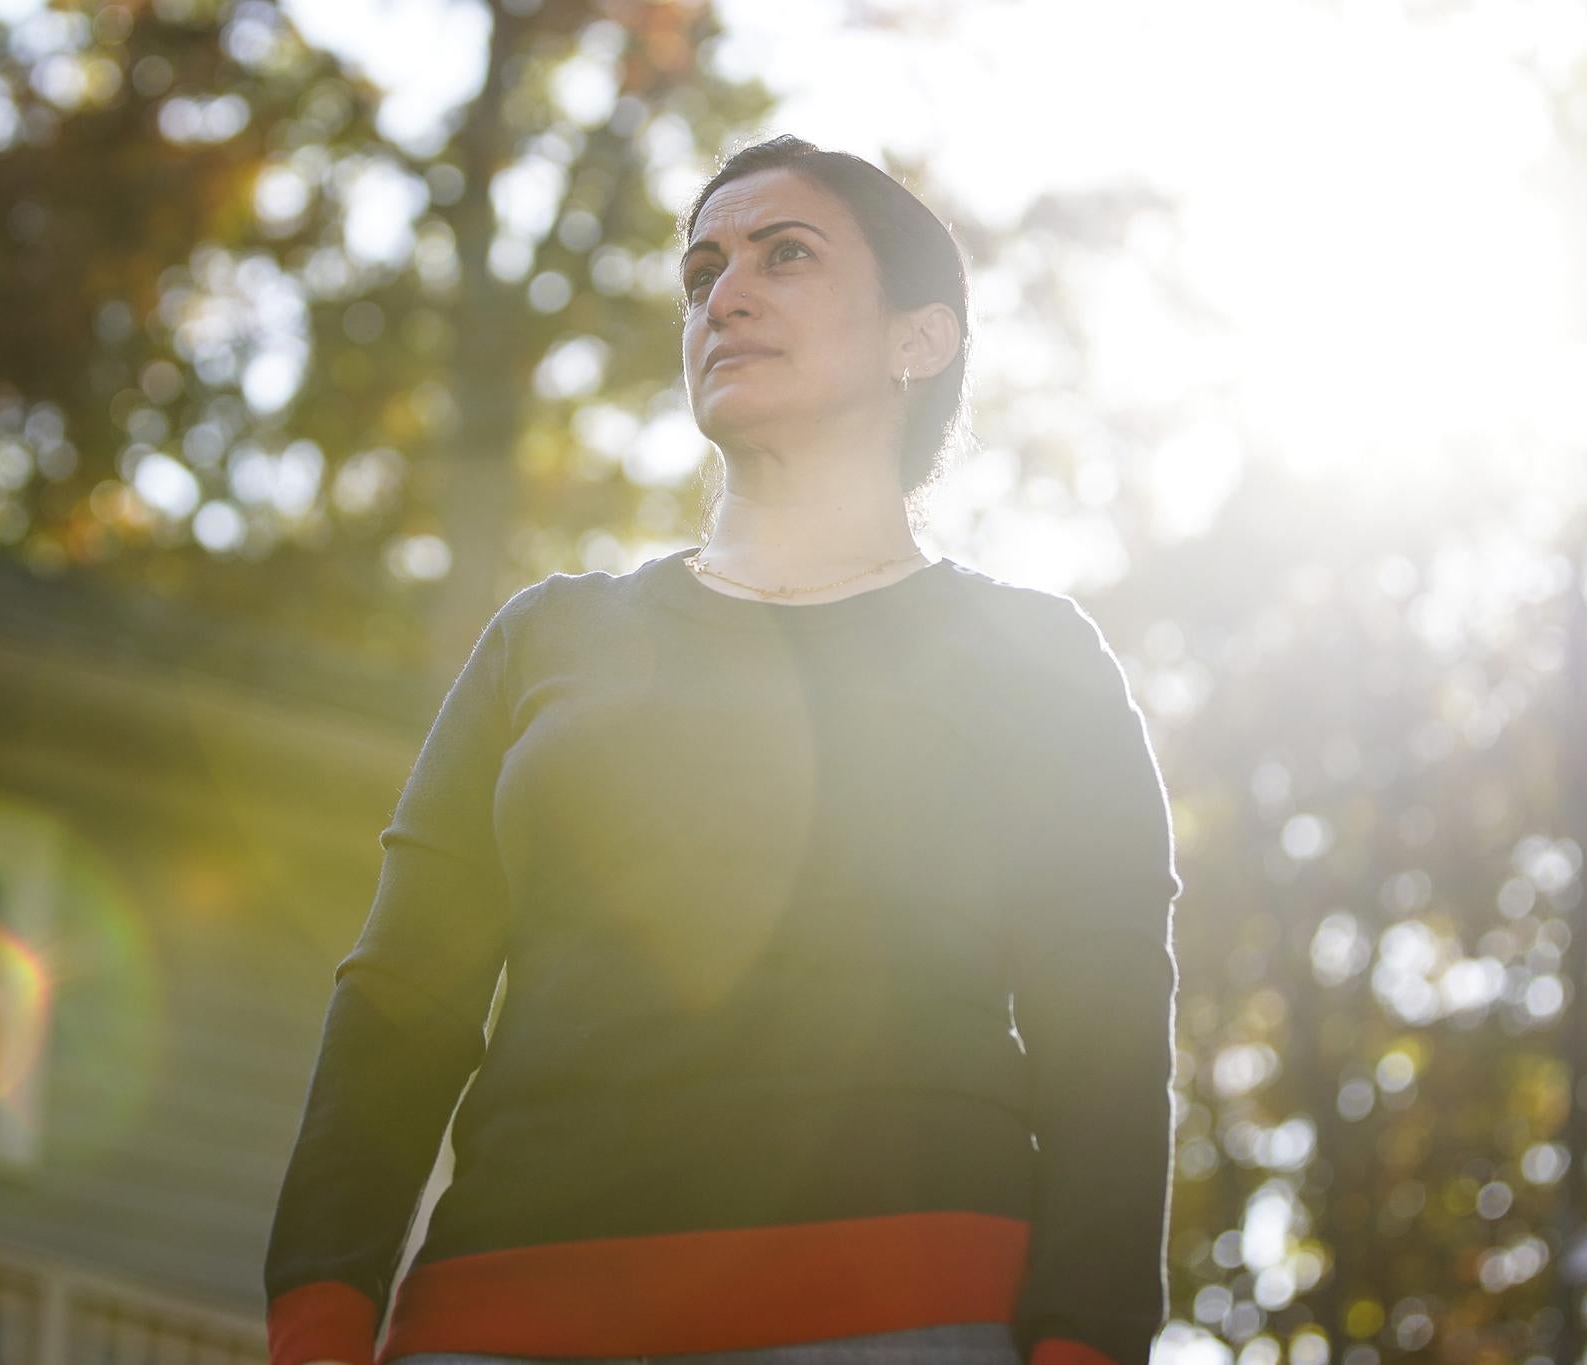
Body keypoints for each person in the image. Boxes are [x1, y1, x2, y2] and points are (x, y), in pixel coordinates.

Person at [263, 134, 1184, 1365]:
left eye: (783, 255)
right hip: (500, 1323)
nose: (723, 295)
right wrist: (319, 1320)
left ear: (920, 337)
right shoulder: (547, 640)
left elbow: (1106, 1037)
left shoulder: (1035, 659)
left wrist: (1083, 1345)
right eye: (701, 274)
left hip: (906, 1319)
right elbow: (400, 1002)